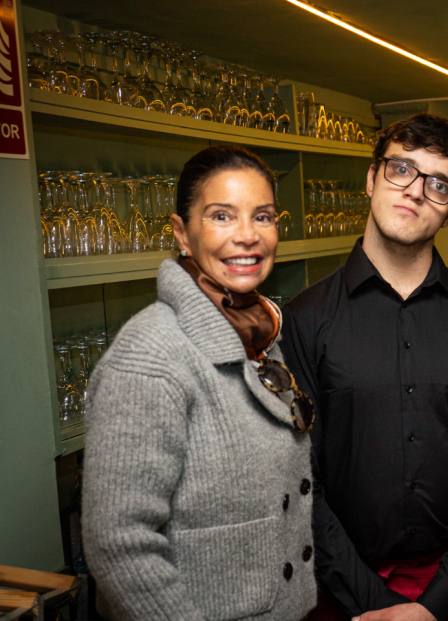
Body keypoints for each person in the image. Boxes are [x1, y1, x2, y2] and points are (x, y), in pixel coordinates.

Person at [280, 113, 448, 621]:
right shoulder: (303, 322)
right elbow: (298, 481)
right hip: (341, 590)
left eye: (439, 185)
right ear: (371, 179)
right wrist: (375, 602)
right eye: (401, 169)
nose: (415, 191)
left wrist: (433, 606)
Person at [82, 145, 317, 620]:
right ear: (182, 234)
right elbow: (119, 544)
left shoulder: (263, 333)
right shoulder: (151, 353)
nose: (248, 236)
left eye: (263, 217)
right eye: (222, 216)